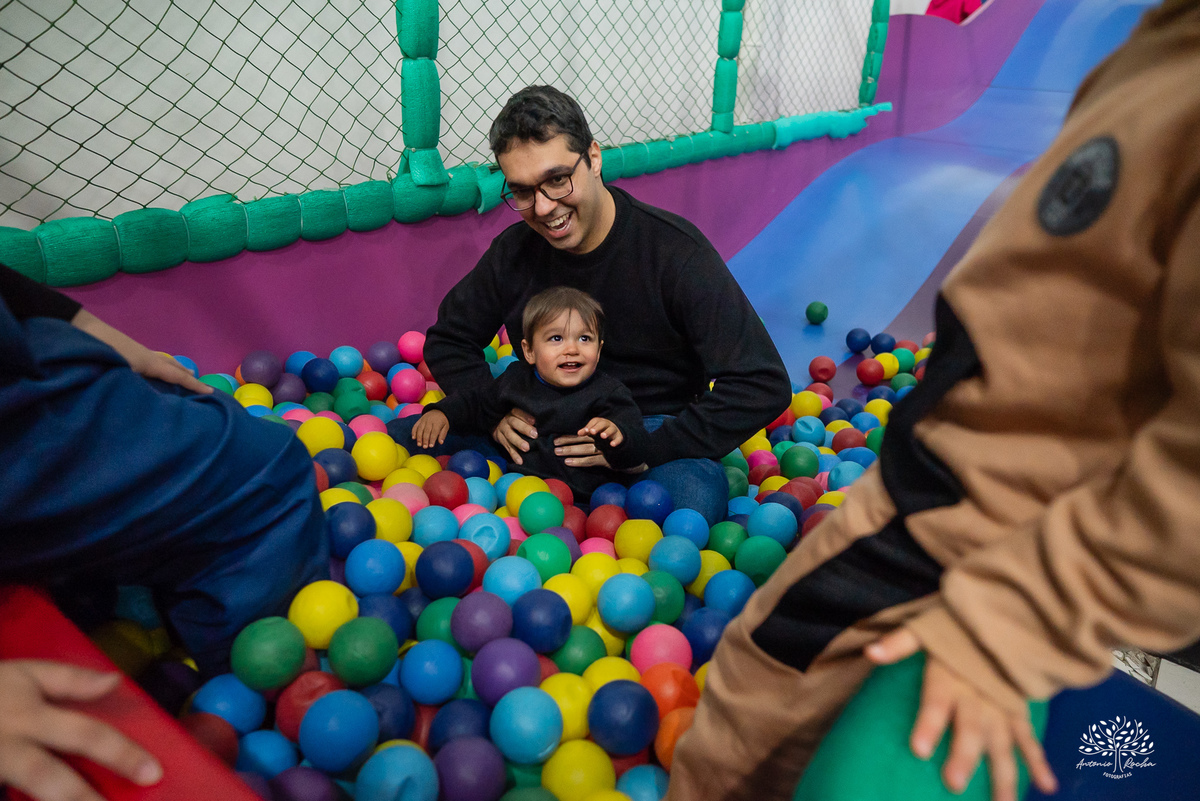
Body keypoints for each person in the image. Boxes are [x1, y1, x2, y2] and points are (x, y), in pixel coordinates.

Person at [667, 2, 1200, 800]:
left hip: (961, 528)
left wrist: (1013, 621)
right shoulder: (1166, 43)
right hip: (937, 481)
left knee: (751, 702)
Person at [390, 85, 792, 525]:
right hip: (538, 422)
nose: (543, 207)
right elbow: (451, 338)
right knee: (405, 441)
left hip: (649, 428)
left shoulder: (674, 253)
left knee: (687, 507)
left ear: (594, 159)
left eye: (557, 180)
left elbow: (762, 382)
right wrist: (493, 411)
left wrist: (644, 451)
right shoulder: (515, 252)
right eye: (523, 191)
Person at [0, 263, 329, 797]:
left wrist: (97, 335)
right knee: (268, 475)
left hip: (28, 345)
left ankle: (95, 583)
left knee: (194, 403)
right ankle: (259, 692)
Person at [414, 287, 649, 500]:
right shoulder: (516, 380)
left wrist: (619, 436)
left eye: (584, 338)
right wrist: (442, 412)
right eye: (556, 338)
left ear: (598, 351)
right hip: (514, 489)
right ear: (529, 352)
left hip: (586, 499)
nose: (572, 349)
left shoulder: (609, 394)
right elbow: (476, 402)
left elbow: (638, 447)